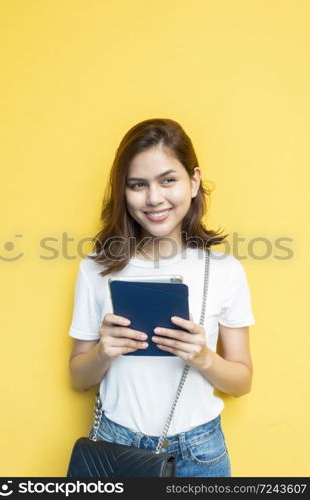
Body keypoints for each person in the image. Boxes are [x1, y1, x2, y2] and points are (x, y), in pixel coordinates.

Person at [68, 118, 255, 477]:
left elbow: (242, 382)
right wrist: (103, 352)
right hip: (115, 447)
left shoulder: (224, 270)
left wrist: (202, 357)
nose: (154, 198)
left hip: (200, 455)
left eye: (168, 180)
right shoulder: (95, 269)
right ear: (123, 192)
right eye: (138, 185)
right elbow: (78, 377)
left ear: (194, 181)